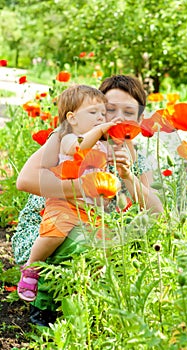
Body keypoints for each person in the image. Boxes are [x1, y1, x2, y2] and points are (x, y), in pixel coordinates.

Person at [13, 74, 163, 326]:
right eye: (109, 110)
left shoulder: (136, 157)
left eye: (128, 112)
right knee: (84, 242)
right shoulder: (69, 138)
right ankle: (46, 309)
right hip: (49, 228)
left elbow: (157, 211)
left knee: (130, 245)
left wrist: (127, 175)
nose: (117, 118)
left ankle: (91, 305)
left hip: (94, 226)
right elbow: (24, 180)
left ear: (139, 120)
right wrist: (83, 187)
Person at [17, 84, 121, 302]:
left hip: (90, 209)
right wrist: (101, 130)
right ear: (72, 118)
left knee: (105, 242)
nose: (100, 118)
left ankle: (95, 286)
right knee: (55, 232)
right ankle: (31, 267)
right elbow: (79, 148)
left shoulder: (101, 146)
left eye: (103, 113)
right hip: (64, 204)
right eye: (93, 113)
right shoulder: (67, 139)